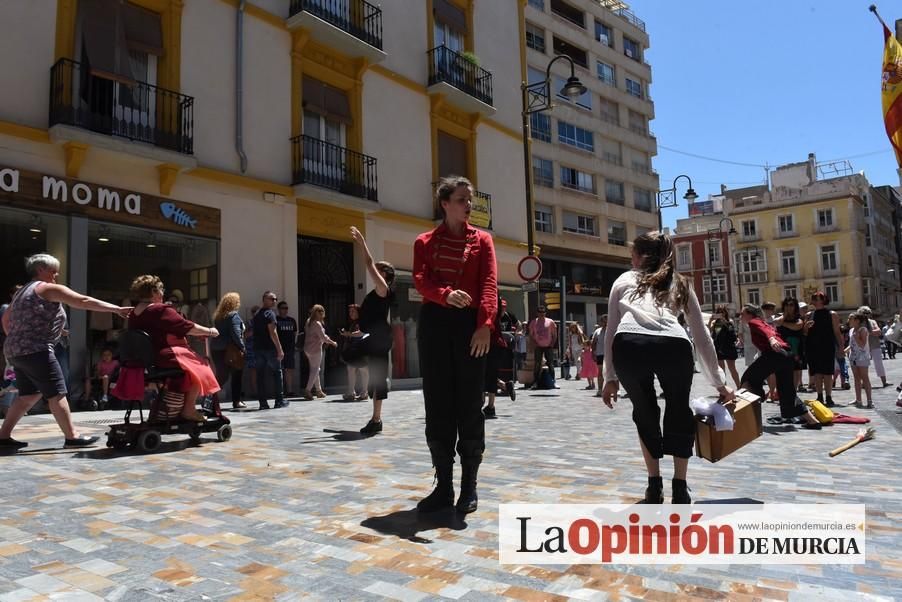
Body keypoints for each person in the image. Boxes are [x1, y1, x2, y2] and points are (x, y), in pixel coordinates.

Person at [601, 232, 733, 505]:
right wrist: (719, 383)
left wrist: (609, 377)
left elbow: (610, 331)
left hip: (630, 344)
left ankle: (653, 485)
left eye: (632, 255)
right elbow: (700, 334)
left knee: (644, 412)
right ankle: (680, 486)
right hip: (674, 345)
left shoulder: (623, 280)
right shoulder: (680, 282)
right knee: (678, 410)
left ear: (638, 257)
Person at [414, 175, 497, 514]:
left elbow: (489, 283)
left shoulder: (483, 241)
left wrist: (485, 326)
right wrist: (446, 295)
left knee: (468, 406)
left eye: (470, 199)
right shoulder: (423, 241)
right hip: (434, 325)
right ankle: (443, 487)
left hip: (469, 328)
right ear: (445, 203)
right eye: (462, 199)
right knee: (437, 407)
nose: (468, 205)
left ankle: (469, 488)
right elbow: (421, 280)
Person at [0, 254, 130, 450]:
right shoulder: (46, 288)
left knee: (28, 395)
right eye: (53, 269)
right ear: (40, 270)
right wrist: (116, 309)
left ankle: (3, 436)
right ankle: (72, 436)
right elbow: (83, 301)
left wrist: (19, 339)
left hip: (16, 350)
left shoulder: (21, 292)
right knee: (57, 393)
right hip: (37, 349)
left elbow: (6, 319)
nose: (57, 274)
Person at [127, 275, 220, 422]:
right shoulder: (160, 309)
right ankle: (189, 409)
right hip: (164, 356)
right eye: (161, 289)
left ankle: (175, 409)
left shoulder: (133, 313)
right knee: (202, 367)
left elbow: (161, 330)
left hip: (146, 360)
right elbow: (187, 326)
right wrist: (210, 331)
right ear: (154, 291)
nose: (163, 293)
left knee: (190, 369)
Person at [740, 304, 822, 429]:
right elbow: (770, 330)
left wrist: (772, 340)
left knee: (747, 379)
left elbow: (766, 331)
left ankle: (747, 417)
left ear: (750, 314)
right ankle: (812, 420)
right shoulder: (763, 322)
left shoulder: (754, 321)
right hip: (786, 356)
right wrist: (772, 338)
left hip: (774, 355)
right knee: (787, 391)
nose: (740, 316)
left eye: (742, 314)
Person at [350, 226, 395, 434]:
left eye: (379, 268)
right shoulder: (376, 293)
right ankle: (376, 417)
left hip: (379, 338)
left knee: (376, 379)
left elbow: (368, 263)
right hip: (373, 336)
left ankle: (376, 420)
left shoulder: (383, 289)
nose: (374, 270)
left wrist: (361, 242)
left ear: (385, 274)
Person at [805, 291, 843, 408]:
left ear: (824, 300)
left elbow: (837, 332)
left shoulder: (832, 314)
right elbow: (805, 333)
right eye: (814, 299)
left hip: (827, 346)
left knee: (827, 372)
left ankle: (829, 396)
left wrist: (841, 347)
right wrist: (806, 327)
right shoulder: (809, 315)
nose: (816, 301)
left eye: (818, 298)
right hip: (813, 346)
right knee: (816, 372)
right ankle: (819, 395)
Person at [210, 292, 246, 409]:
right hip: (230, 349)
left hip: (216, 349)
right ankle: (237, 401)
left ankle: (210, 398)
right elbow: (236, 334)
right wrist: (242, 347)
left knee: (221, 375)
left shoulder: (218, 316)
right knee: (236, 374)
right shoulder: (233, 316)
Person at [253, 292, 286, 409]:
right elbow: (273, 332)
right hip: (269, 349)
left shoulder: (257, 314)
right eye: (272, 299)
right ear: (264, 299)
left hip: (258, 349)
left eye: (276, 299)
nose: (274, 301)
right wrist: (279, 349)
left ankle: (263, 403)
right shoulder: (270, 314)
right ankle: (279, 401)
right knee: (277, 373)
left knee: (260, 376)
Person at [302, 305, 337, 400]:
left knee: (315, 369)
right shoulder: (317, 323)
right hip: (315, 349)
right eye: (319, 311)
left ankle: (319, 391)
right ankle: (308, 390)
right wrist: (333, 342)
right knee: (315, 370)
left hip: (308, 348)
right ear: (315, 312)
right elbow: (323, 337)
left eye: (322, 311)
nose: (321, 313)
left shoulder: (309, 321)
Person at [775, 298, 806, 393]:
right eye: (787, 305)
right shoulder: (780, 317)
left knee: (796, 371)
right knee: (782, 372)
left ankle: (793, 392)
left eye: (791, 305)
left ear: (795, 307)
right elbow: (777, 322)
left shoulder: (799, 318)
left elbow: (797, 326)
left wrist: (783, 323)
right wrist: (785, 315)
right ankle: (783, 393)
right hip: (782, 350)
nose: (789, 307)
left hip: (796, 349)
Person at [340, 304, 369, 402]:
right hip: (355, 350)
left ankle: (362, 392)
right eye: (350, 311)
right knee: (352, 370)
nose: (350, 313)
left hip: (361, 350)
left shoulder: (362, 321)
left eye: (353, 311)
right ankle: (353, 392)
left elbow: (362, 333)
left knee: (362, 371)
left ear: (358, 312)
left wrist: (348, 334)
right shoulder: (354, 322)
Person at [708, 304, 740, 388]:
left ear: (725, 312)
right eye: (718, 312)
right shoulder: (715, 323)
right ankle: (725, 389)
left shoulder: (729, 321)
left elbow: (731, 331)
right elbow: (708, 331)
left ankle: (739, 387)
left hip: (728, 347)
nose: (720, 313)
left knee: (732, 369)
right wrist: (710, 320)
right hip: (719, 347)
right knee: (721, 370)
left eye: (722, 312)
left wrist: (724, 321)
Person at [847, 313, 873, 408]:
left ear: (857, 320)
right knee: (856, 379)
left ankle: (869, 400)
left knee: (865, 378)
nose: (848, 320)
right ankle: (858, 400)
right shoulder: (851, 331)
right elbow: (852, 344)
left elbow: (862, 345)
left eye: (850, 319)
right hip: (853, 357)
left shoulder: (863, 330)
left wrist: (857, 337)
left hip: (862, 357)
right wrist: (845, 350)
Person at [858, 306, 888, 388]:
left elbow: (878, 331)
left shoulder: (872, 322)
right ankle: (863, 383)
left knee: (879, 363)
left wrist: (867, 332)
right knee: (863, 364)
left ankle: (884, 381)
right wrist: (871, 332)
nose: (866, 315)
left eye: (867, 313)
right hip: (863, 346)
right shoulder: (858, 323)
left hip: (874, 344)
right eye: (864, 314)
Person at [528, 306, 557, 389]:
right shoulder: (534, 322)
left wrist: (552, 344)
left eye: (543, 313)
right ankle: (535, 383)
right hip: (538, 346)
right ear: (537, 313)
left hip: (548, 346)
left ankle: (553, 381)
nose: (542, 314)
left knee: (550, 364)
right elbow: (531, 335)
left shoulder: (550, 322)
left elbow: (554, 334)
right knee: (537, 364)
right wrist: (534, 344)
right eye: (540, 313)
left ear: (545, 313)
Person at [275, 301, 299, 396]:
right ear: (279, 309)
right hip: (279, 349)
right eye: (283, 308)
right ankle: (279, 391)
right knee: (278, 370)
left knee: (289, 369)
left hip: (290, 349)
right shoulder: (276, 320)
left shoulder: (292, 320)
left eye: (286, 308)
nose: (285, 310)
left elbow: (294, 333)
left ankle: (289, 390)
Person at [591, 315, 607, 398]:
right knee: (600, 372)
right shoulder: (597, 331)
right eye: (603, 321)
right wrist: (592, 353)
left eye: (606, 321)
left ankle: (615, 389)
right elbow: (593, 343)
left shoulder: (612, 330)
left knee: (611, 372)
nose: (605, 323)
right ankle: (600, 389)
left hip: (610, 354)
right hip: (600, 354)